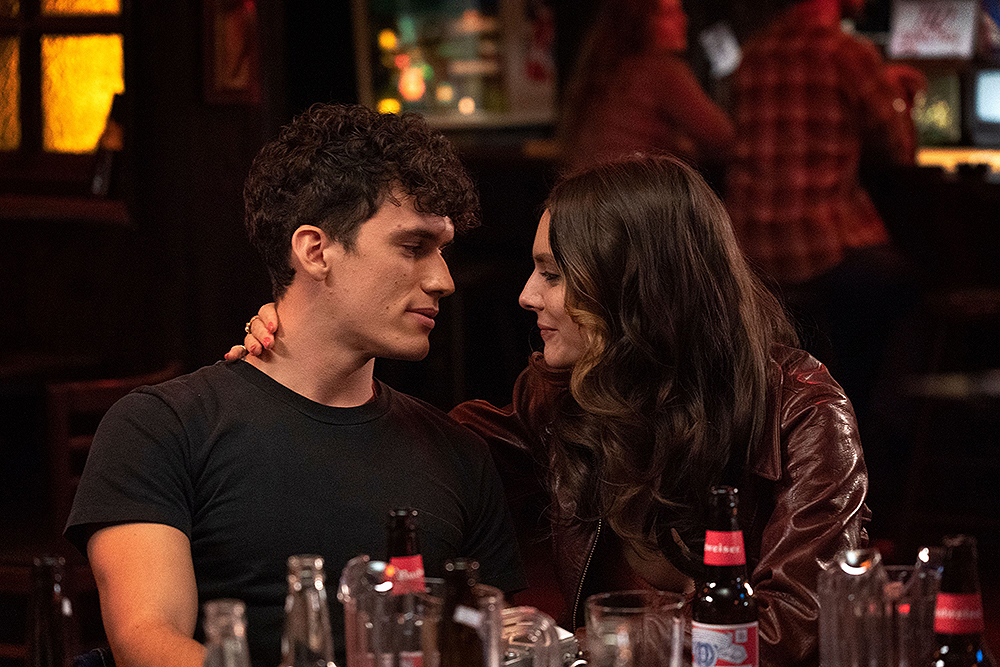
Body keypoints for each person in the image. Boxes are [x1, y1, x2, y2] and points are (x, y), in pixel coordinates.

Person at [237, 154, 870, 667]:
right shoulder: (562, 394)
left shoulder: (802, 412)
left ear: (636, 285)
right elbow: (427, 447)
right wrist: (299, 343)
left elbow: (795, 624)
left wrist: (593, 640)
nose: (527, 294)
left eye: (554, 273)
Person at [65, 103, 524, 667]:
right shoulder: (163, 427)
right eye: (412, 248)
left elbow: (496, 644)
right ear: (315, 251)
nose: (442, 279)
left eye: (443, 250)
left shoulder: (458, 453)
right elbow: (146, 641)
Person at [725, 0, 925, 440]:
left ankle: (807, 420)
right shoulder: (849, 55)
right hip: (819, 251)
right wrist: (899, 96)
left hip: (749, 251)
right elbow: (899, 155)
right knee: (909, 285)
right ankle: (866, 432)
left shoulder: (752, 56)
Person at [557, 0, 735, 174]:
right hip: (628, 193)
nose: (683, 19)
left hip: (588, 192)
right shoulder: (659, 69)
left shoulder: (603, 66)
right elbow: (722, 138)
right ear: (641, 22)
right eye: (669, 13)